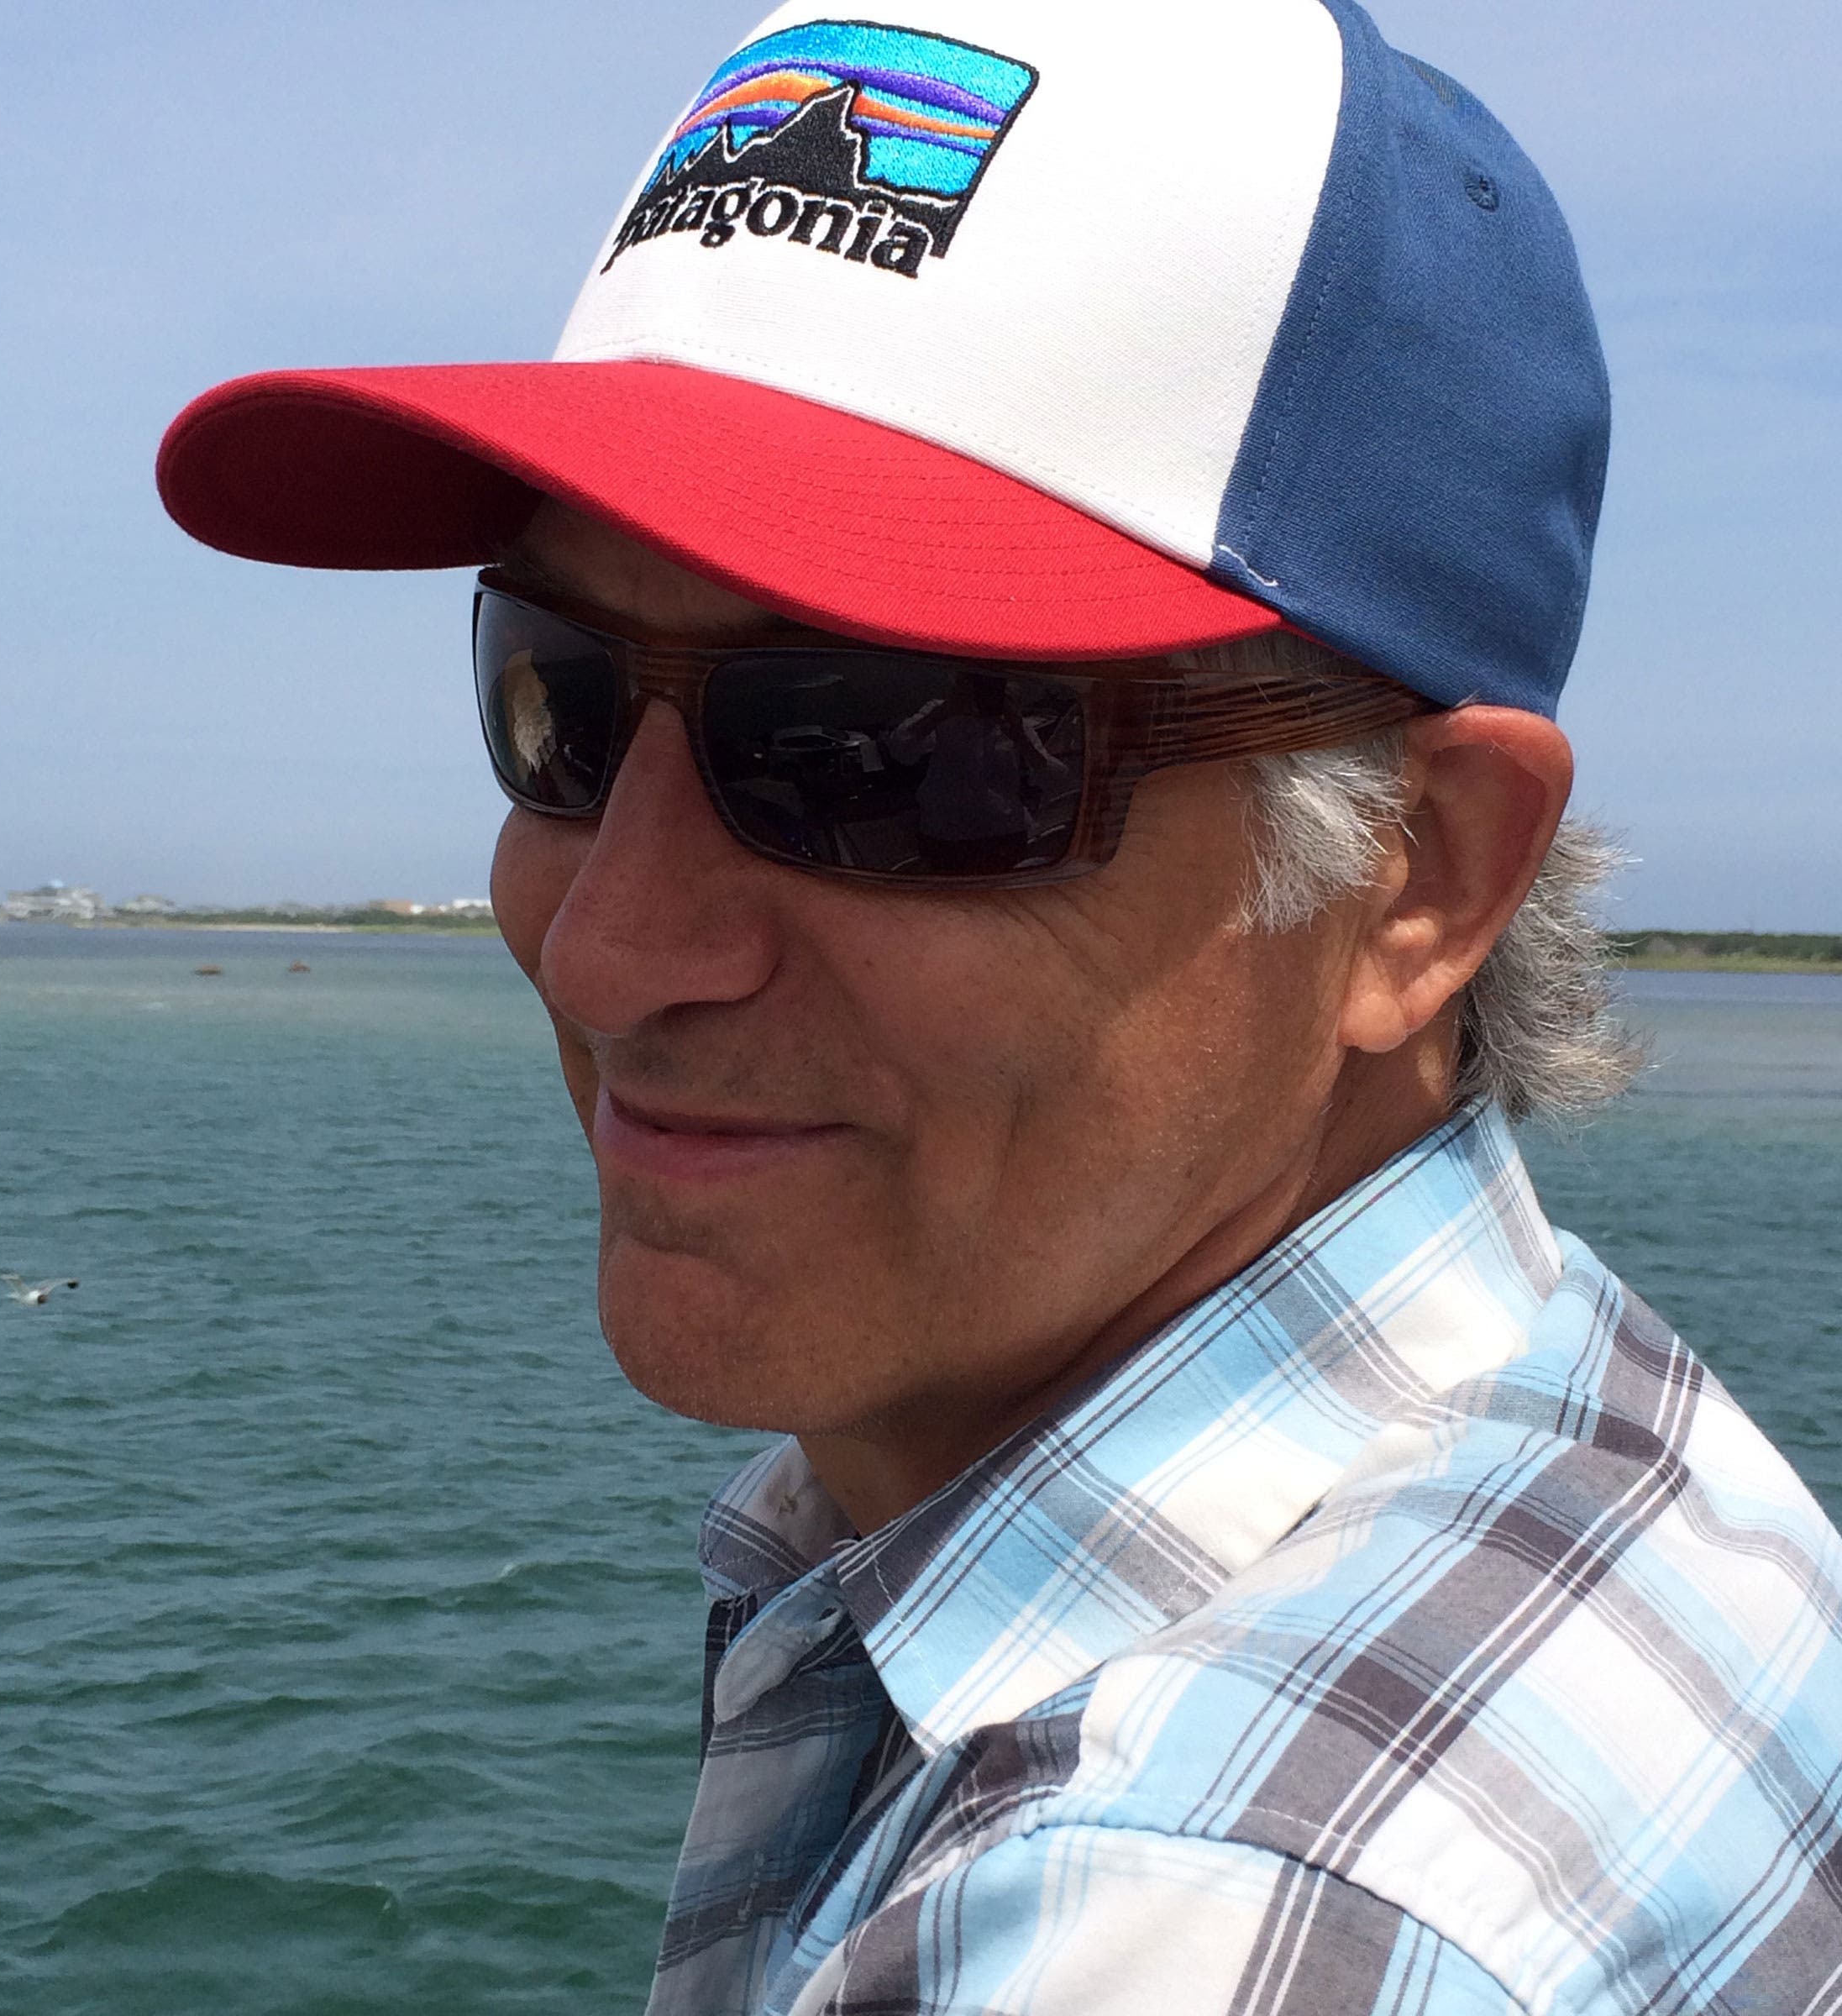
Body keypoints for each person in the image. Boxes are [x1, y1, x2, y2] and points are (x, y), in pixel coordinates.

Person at [156, 2, 1842, 2008]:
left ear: (1425, 878)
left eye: (894, 745)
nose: (608, 946)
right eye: (559, 707)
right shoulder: (1612, 1471)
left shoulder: (1197, 1912)